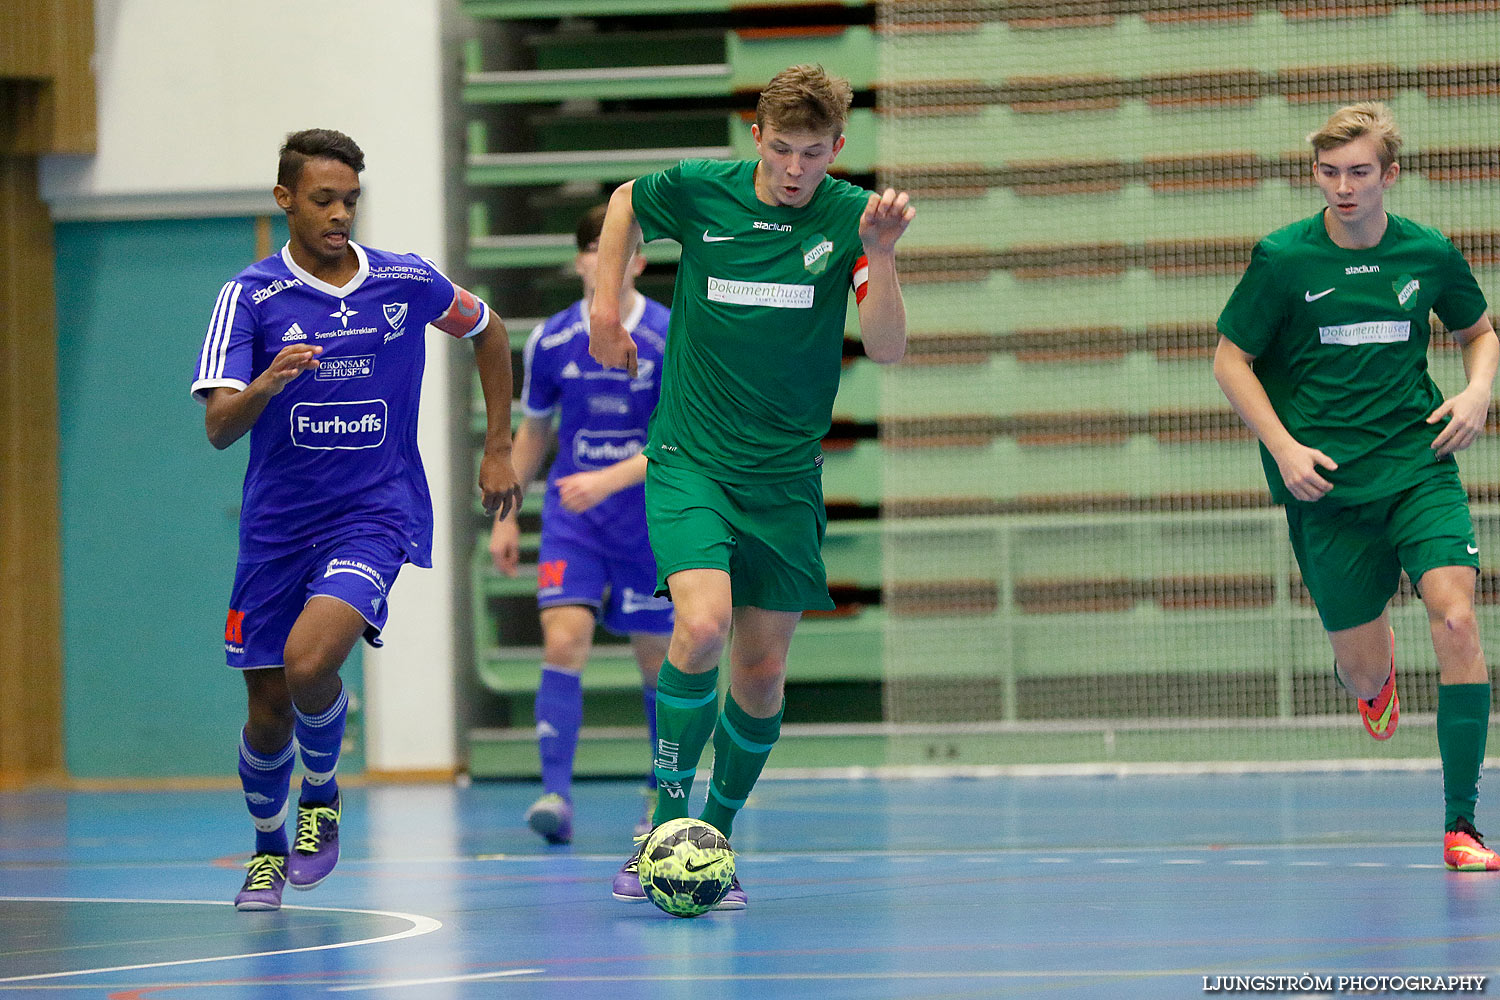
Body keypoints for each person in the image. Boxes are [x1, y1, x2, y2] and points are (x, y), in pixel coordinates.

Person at [588, 64, 915, 908]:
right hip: (693, 461)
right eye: (781, 149)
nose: (796, 168)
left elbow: (884, 348)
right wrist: (601, 308)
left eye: (814, 152)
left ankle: (716, 840)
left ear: (839, 147)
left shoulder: (852, 219)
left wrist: (880, 256)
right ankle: (664, 826)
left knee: (762, 672)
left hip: (785, 481)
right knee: (701, 625)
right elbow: (625, 198)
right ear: (756, 137)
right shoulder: (704, 193)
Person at [191, 128, 521, 911]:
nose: (340, 214)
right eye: (323, 200)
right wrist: (267, 381)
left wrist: (498, 445)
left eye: (350, 200)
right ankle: (268, 849)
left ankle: (323, 799)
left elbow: (490, 330)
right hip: (275, 529)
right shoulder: (251, 296)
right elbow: (218, 427)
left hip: (374, 514)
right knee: (267, 711)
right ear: (284, 200)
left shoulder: (406, 280)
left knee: (311, 663)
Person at [1214, 102, 1498, 871]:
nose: (1343, 187)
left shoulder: (1428, 254)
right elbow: (1229, 360)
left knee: (1459, 622)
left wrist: (1477, 394)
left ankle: (1462, 825)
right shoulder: (1282, 260)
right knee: (1364, 667)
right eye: (1329, 172)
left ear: (1390, 175)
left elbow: (1479, 332)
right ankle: (1375, 681)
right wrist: (1284, 448)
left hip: (1417, 466)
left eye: (1359, 172)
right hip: (1327, 492)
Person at [490, 204, 673, 845]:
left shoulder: (670, 337)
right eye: (595, 248)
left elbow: (683, 443)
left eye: (619, 249)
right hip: (575, 522)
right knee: (563, 642)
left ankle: (661, 795)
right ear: (580, 261)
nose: (606, 259)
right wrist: (506, 515)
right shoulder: (551, 340)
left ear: (640, 262)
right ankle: (555, 797)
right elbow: (534, 431)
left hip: (651, 520)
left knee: (659, 664)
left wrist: (611, 478)